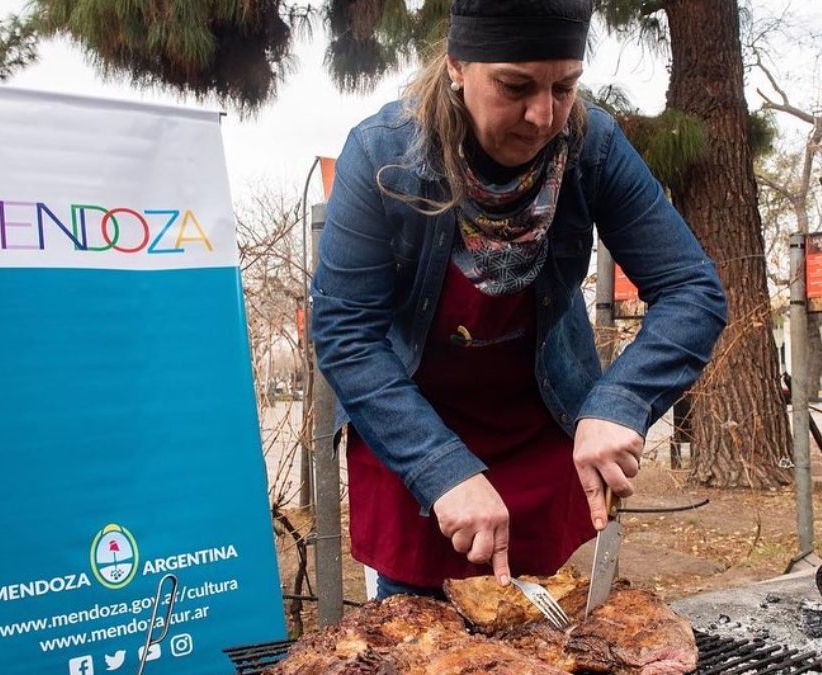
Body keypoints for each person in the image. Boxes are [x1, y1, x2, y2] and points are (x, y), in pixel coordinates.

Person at [311, 0, 727, 600]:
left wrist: (622, 399)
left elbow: (692, 290)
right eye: (515, 86)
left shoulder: (592, 145)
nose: (543, 116)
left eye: (565, 87)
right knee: (417, 638)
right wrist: (440, 469)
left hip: (537, 431)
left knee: (547, 637)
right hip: (410, 427)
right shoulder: (382, 156)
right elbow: (347, 336)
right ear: (457, 66)